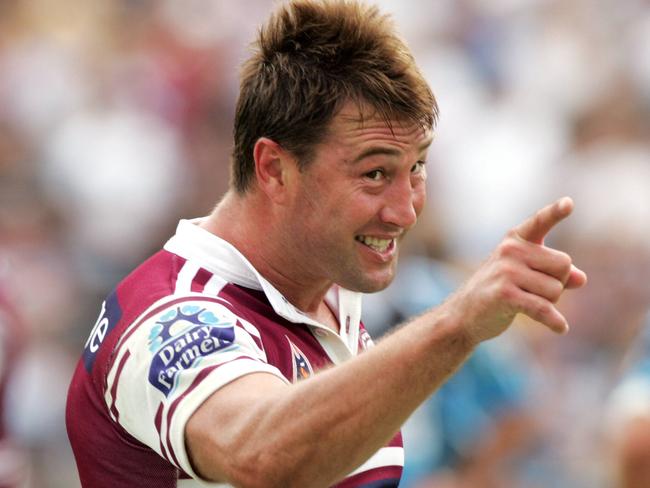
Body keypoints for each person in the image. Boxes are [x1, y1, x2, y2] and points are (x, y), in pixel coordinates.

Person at [65, 1, 587, 487]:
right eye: (375, 173)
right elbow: (262, 456)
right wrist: (457, 324)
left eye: (417, 168)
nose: (405, 210)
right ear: (274, 169)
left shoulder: (329, 293)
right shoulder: (169, 317)